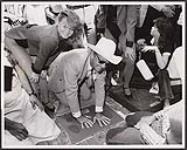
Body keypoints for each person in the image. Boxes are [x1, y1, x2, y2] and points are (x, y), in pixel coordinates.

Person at [4, 8, 84, 105]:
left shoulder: (65, 38)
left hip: (31, 43)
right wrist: (36, 71)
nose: (67, 32)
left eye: (71, 29)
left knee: (42, 75)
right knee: (33, 76)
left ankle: (45, 101)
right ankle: (35, 99)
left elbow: (54, 54)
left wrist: (45, 68)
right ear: (58, 22)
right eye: (64, 27)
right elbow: (42, 56)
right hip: (13, 39)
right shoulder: (51, 38)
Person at [47, 37, 122, 129]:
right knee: (68, 103)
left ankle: (74, 98)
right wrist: (79, 116)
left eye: (107, 63)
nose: (103, 66)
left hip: (79, 77)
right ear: (93, 54)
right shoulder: (74, 61)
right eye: (101, 62)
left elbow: (100, 87)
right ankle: (58, 97)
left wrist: (99, 113)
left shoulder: (101, 63)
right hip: (58, 78)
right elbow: (71, 91)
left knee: (87, 97)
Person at [3, 54, 61, 146]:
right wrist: (8, 125)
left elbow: (17, 70)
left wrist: (31, 94)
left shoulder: (4, 55)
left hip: (23, 100)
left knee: (51, 135)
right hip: (6, 117)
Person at [95, 5, 139, 96]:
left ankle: (126, 85)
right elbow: (101, 13)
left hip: (125, 31)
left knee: (131, 59)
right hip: (108, 29)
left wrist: (129, 44)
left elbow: (131, 21)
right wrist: (100, 32)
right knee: (104, 55)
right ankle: (106, 82)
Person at [106, 99, 183, 145]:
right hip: (161, 121)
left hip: (159, 138)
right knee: (130, 117)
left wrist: (144, 127)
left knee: (110, 135)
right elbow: (169, 110)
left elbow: (162, 144)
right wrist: (155, 117)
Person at [138, 17, 175, 108]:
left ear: (160, 32)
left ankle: (166, 101)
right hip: (149, 70)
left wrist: (156, 49)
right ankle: (154, 84)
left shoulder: (167, 45)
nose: (152, 28)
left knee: (163, 72)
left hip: (164, 72)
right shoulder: (150, 39)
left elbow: (162, 66)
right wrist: (139, 45)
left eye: (154, 27)